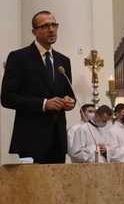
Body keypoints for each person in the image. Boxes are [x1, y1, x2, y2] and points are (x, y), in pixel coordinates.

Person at [1, 10, 75, 164]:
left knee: (57, 187)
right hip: (31, 138)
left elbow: (68, 93)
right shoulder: (19, 58)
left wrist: (69, 102)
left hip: (57, 139)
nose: (51, 29)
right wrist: (43, 104)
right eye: (45, 26)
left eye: (54, 25)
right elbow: (7, 98)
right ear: (34, 32)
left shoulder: (63, 61)